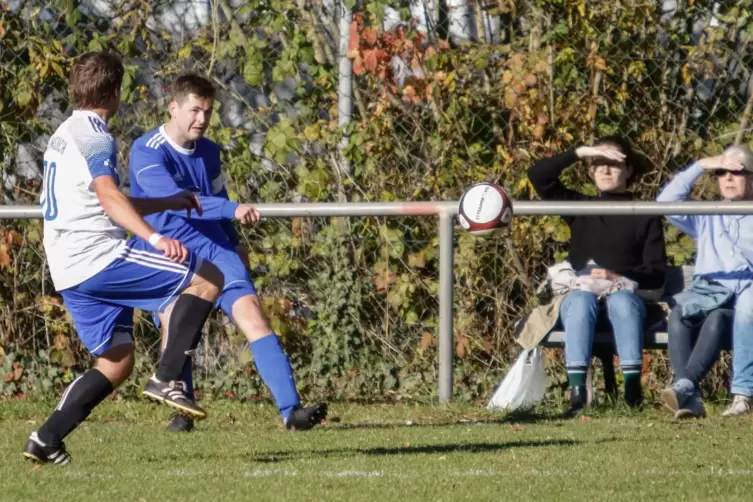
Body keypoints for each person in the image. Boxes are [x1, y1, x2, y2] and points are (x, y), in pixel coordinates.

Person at [24, 52, 225, 465]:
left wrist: (165, 202)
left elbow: (99, 199)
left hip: (68, 267)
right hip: (100, 256)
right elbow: (108, 196)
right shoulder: (97, 134)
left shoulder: (65, 131)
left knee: (116, 361)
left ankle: (46, 438)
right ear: (114, 92)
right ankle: (168, 378)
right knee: (206, 277)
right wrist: (154, 237)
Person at [128, 74, 327, 432]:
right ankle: (180, 410)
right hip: (170, 249)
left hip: (216, 246)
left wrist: (235, 241)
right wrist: (232, 209)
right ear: (173, 108)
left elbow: (217, 199)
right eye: (194, 110)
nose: (201, 119)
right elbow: (178, 205)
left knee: (253, 315)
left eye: (207, 111)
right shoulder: (147, 149)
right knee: (177, 323)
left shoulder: (210, 152)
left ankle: (291, 412)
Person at [528, 136, 667, 417]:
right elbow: (538, 176)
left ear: (629, 170)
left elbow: (656, 273)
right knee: (579, 301)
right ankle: (577, 396)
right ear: (590, 170)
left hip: (627, 305)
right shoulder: (581, 207)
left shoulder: (645, 214)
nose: (605, 170)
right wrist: (580, 152)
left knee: (622, 301)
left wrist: (618, 275)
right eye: (598, 163)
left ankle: (632, 393)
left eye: (614, 164)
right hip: (582, 305)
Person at [657, 144, 753, 417]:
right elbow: (664, 202)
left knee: (732, 315)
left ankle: (741, 394)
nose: (728, 178)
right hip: (710, 291)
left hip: (747, 291)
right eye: (721, 173)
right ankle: (690, 398)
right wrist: (701, 165)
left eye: (737, 172)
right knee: (679, 315)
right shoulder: (708, 213)